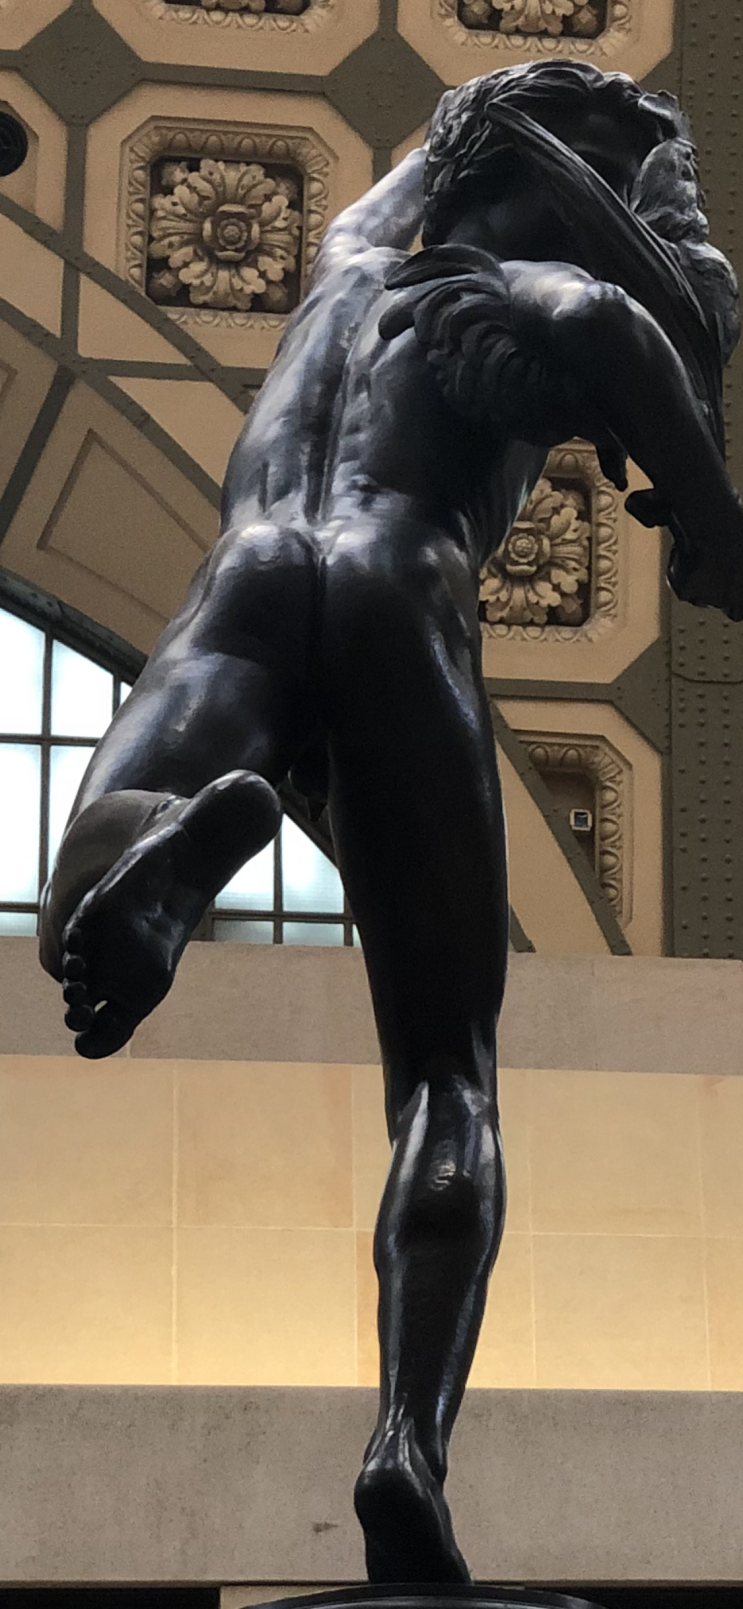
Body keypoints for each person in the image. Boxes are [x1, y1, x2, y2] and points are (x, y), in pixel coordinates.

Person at [39, 61, 743, 1583]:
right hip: (400, 593)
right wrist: (710, 514)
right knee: (446, 1075)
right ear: (584, 194)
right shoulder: (556, 305)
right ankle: (406, 1446)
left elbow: (444, 156)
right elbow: (648, 356)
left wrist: (512, 140)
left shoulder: (344, 265)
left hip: (242, 584)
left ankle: (173, 848)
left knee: (73, 907)